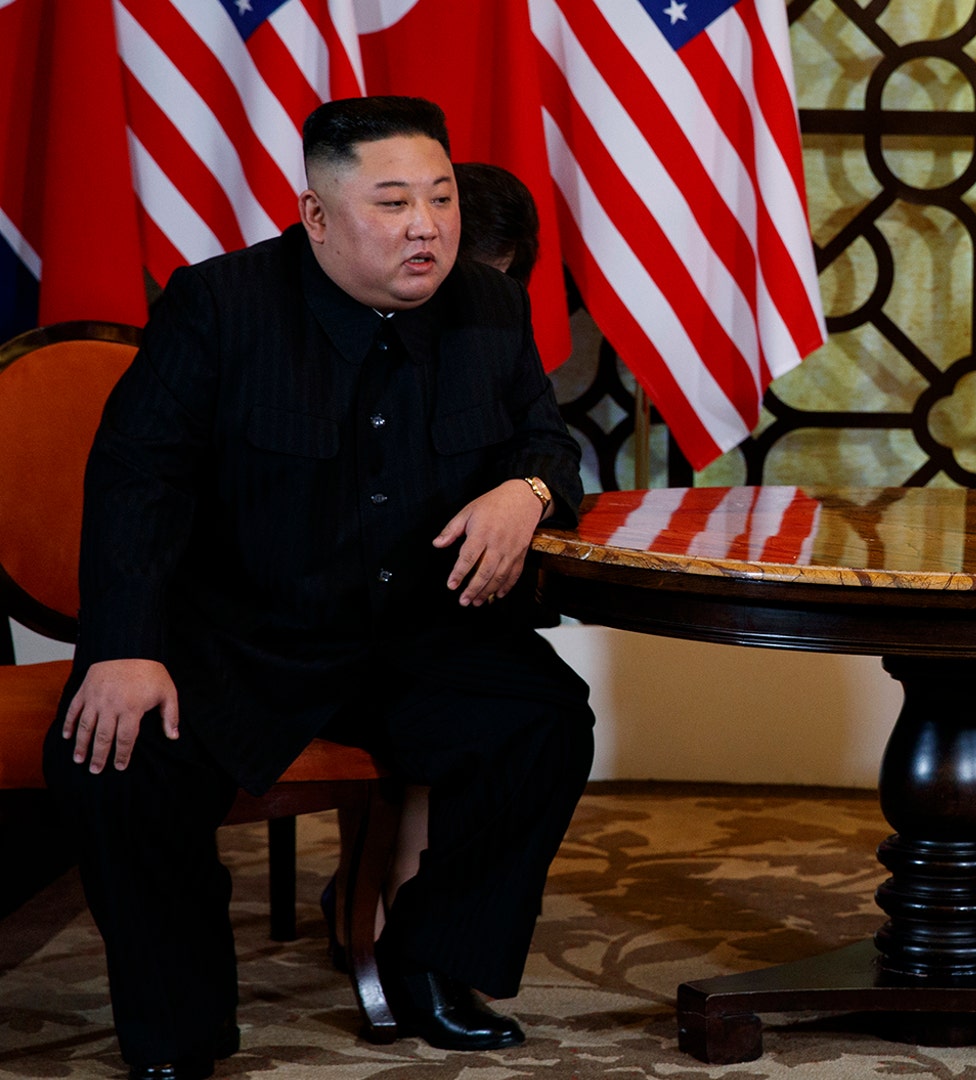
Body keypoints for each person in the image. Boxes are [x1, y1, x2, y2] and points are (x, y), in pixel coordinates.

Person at [43, 96, 595, 1080]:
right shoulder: (220, 306)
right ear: (317, 216)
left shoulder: (491, 304)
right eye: (392, 203)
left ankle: (429, 962)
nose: (426, 225)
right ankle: (181, 1037)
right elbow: (138, 480)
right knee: (114, 766)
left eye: (440, 197)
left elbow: (542, 438)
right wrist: (124, 647)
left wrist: (530, 488)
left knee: (542, 720)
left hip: (413, 634)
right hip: (245, 635)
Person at [318, 159, 552, 956]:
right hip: (329, 611)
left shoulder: (498, 332)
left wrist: (527, 492)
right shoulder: (318, 330)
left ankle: (426, 926)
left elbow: (545, 445)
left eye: (495, 283)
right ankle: (387, 905)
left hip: (452, 598)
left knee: (529, 702)